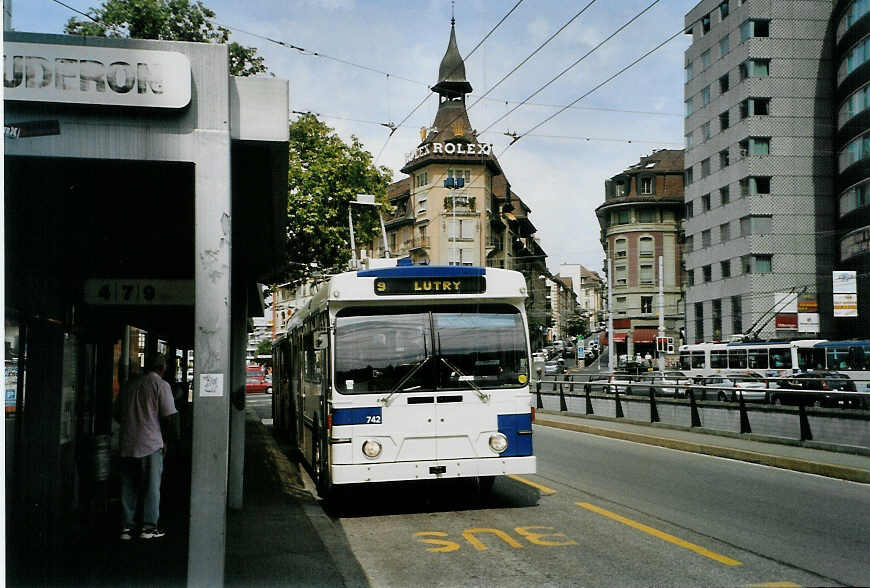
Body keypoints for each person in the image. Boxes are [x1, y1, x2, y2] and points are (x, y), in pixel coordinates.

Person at [114, 353, 179, 541]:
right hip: (151, 444)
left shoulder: (129, 386)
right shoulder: (160, 385)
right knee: (151, 486)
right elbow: (169, 416)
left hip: (127, 443)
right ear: (163, 367)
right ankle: (149, 528)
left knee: (128, 486)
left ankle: (126, 527)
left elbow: (117, 413)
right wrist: (167, 440)